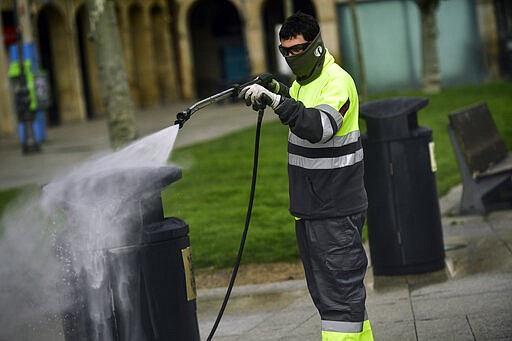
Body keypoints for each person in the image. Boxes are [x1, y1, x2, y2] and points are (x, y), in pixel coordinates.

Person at [239, 11, 374, 341]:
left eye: (297, 50)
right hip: (312, 210)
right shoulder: (302, 85)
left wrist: (277, 103)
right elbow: (301, 110)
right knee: (337, 302)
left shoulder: (338, 82)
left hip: (335, 211)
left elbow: (319, 127)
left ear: (316, 46)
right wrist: (276, 91)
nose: (291, 56)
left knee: (339, 303)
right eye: (285, 51)